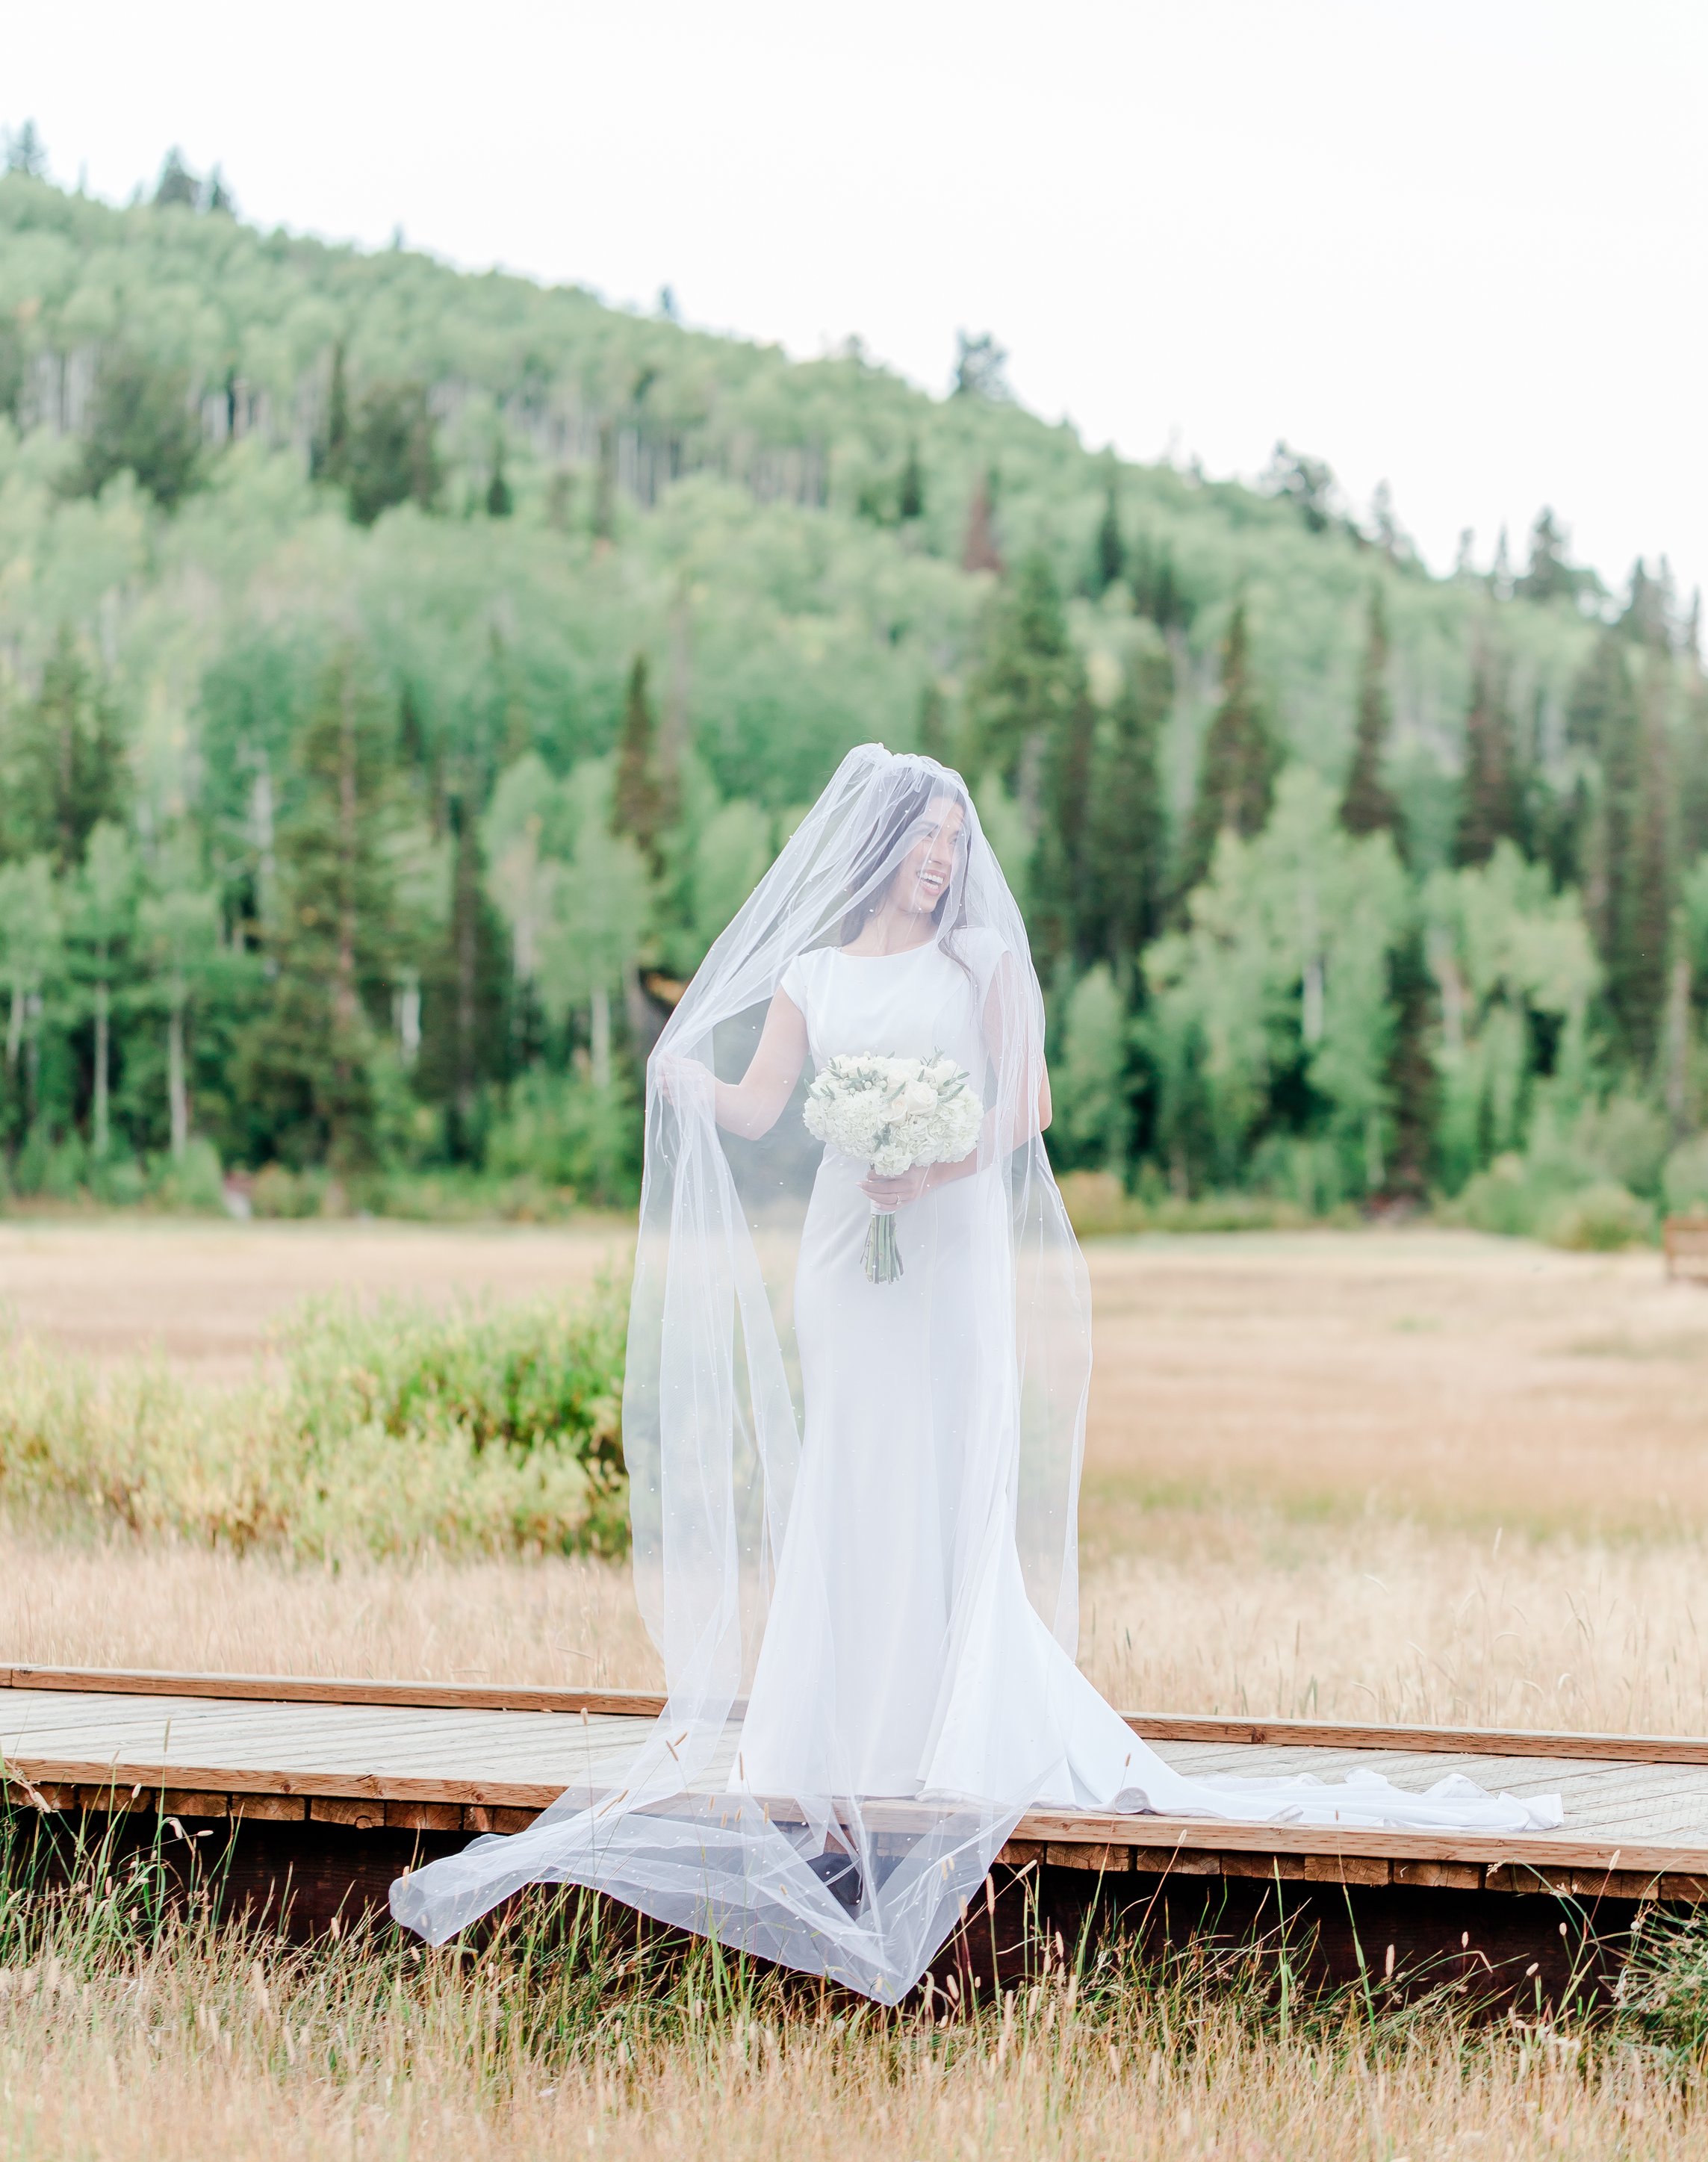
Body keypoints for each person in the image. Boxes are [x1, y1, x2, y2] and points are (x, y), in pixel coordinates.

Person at [391, 746, 1559, 2001]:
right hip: (844, 1259)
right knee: (854, 1469)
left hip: (949, 1256)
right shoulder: (812, 974)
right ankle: (828, 1738)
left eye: (957, 839)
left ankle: (946, 1727)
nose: (945, 858)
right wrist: (686, 1081)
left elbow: (1028, 1103)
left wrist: (934, 1166)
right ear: (882, 843)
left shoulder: (981, 963)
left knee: (946, 1469)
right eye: (928, 837)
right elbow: (761, 1106)